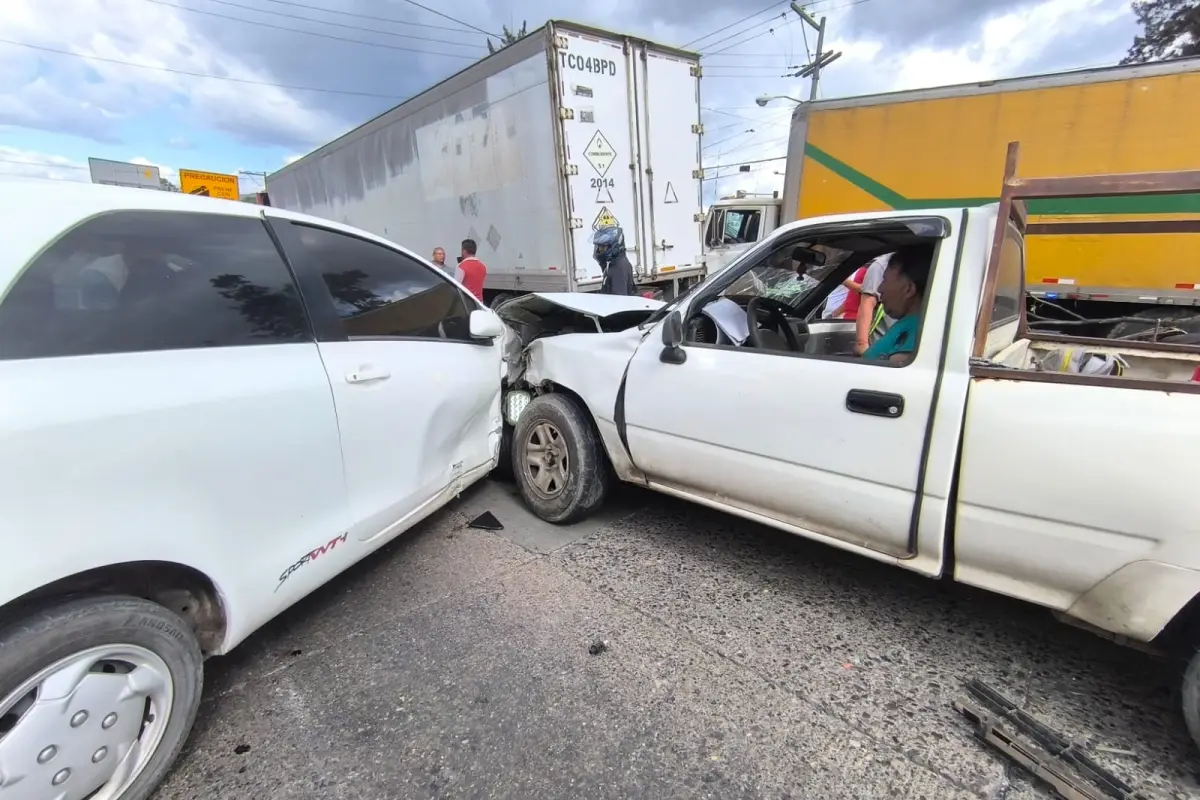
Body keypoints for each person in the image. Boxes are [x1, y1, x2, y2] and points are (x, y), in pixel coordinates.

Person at [862, 247, 931, 364]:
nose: (879, 289)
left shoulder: (917, 333)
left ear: (909, 289)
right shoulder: (914, 326)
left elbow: (892, 378)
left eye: (884, 280)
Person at [854, 252, 895, 355]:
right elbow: (867, 303)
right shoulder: (882, 265)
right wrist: (862, 344)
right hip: (880, 350)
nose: (881, 289)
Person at [592, 225, 636, 295]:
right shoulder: (612, 263)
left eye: (603, 246)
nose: (600, 250)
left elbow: (619, 299)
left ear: (613, 246)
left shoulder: (619, 268)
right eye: (599, 246)